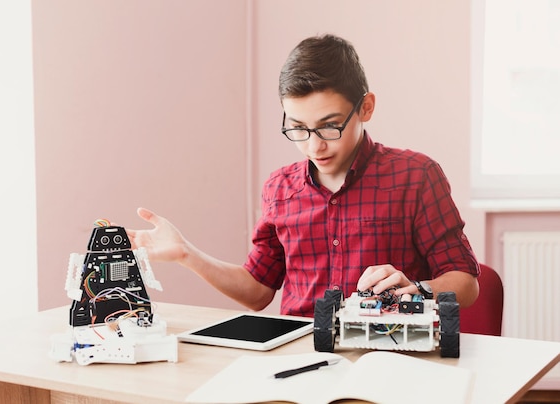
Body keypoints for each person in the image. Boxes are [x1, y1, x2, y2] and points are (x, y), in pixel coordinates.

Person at [127, 33, 479, 317]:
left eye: (329, 127)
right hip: (299, 360)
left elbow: (466, 282)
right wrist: (186, 253)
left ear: (365, 108)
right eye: (297, 128)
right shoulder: (280, 189)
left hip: (388, 354)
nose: (314, 146)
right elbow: (257, 292)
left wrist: (416, 288)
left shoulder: (416, 177)